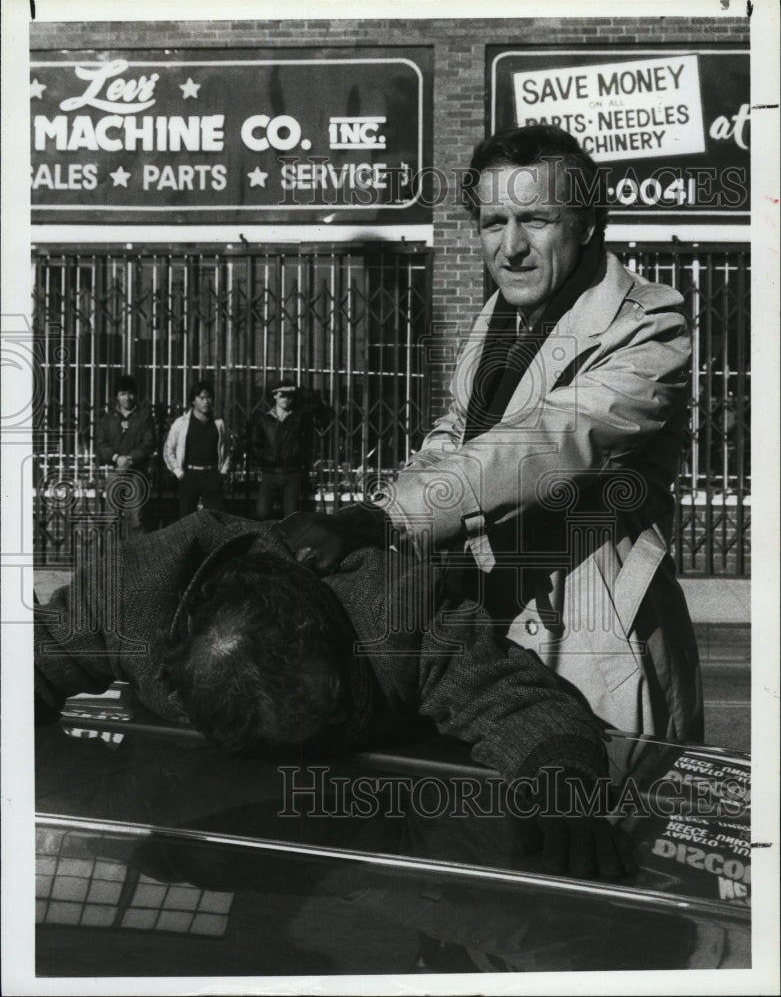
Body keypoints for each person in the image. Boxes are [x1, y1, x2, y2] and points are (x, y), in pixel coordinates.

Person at [279, 124, 703, 743]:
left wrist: (388, 518)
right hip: (480, 649)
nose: (511, 247)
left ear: (585, 223)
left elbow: (548, 443)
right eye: (491, 222)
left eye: (535, 219)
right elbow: (458, 429)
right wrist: (383, 522)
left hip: (590, 650)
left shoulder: (648, 323)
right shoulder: (501, 317)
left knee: (592, 828)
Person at [34, 509, 635, 880]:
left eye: (326, 714)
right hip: (186, 817)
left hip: (375, 826)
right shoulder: (130, 596)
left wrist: (562, 786)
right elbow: (32, 660)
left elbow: (518, 698)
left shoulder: (396, 609)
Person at [95, 373, 155, 535]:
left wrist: (130, 458)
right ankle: (110, 557)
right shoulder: (108, 419)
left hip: (137, 472)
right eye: (122, 394)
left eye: (130, 393)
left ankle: (137, 558)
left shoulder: (145, 417)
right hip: (115, 472)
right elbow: (100, 444)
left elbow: (149, 443)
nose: (126, 398)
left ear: (135, 395)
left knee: (138, 518)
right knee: (111, 519)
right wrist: (116, 458)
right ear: (116, 396)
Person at [163, 380, 230, 518]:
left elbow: (228, 449)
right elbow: (168, 450)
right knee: (187, 520)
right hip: (190, 476)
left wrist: (222, 473)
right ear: (193, 400)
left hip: (212, 476)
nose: (206, 401)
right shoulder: (181, 424)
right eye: (202, 397)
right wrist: (178, 472)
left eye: (209, 397)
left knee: (215, 520)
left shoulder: (219, 424)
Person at [252, 378, 312, 520]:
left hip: (292, 473)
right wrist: (265, 458)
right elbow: (255, 444)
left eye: (289, 396)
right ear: (275, 396)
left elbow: (307, 443)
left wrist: (298, 458)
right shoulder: (265, 419)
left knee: (291, 515)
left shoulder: (298, 419)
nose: (286, 399)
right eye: (282, 395)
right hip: (270, 473)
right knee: (262, 512)